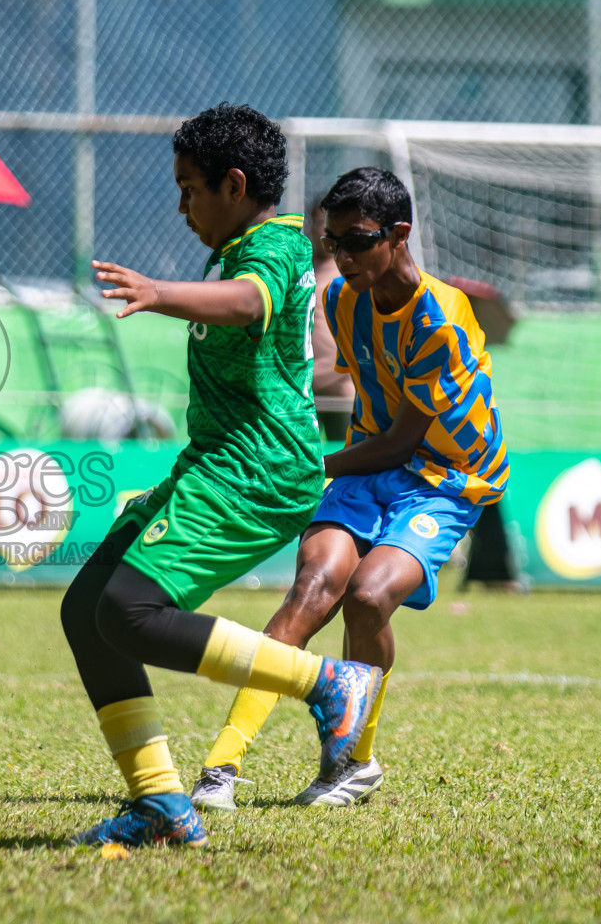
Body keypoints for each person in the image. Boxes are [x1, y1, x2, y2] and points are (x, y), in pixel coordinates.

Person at [59, 104, 382, 850]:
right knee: (89, 610)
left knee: (128, 609)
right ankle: (160, 806)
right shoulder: (236, 246)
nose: (182, 207)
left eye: (189, 189)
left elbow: (250, 303)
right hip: (216, 460)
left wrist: (158, 292)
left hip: (257, 468)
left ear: (233, 185)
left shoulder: (276, 245)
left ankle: (328, 684)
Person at [192, 166, 508, 811]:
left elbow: (404, 441)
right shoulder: (341, 298)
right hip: (370, 463)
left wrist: (311, 466)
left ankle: (354, 763)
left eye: (358, 241)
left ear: (399, 235)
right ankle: (221, 767)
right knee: (312, 587)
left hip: (446, 478)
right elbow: (365, 402)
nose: (343, 256)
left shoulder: (442, 318)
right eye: (333, 242)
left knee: (367, 598)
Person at [307, 201, 357, 442]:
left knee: (347, 456)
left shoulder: (350, 275)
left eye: (329, 225)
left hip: (339, 392)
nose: (323, 231)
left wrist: (317, 374)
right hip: (305, 392)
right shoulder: (302, 270)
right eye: (319, 223)